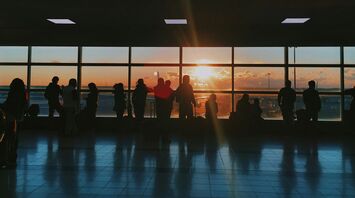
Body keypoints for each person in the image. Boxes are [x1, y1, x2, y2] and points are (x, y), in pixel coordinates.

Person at [2, 78, 28, 166]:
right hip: (18, 118)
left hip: (11, 118)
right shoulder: (23, 94)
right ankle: (12, 156)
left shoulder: (13, 93)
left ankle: (7, 157)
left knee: (7, 138)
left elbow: (8, 105)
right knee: (14, 137)